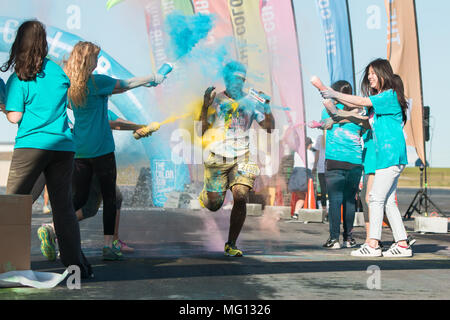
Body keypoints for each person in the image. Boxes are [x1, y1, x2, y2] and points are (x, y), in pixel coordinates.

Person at [0, 20, 92, 278]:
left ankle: (10, 265)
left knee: (13, 205)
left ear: (20, 41)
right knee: (63, 208)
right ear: (43, 41)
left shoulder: (20, 75)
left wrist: (5, 105)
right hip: (63, 147)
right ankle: (77, 267)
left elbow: (15, 117)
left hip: (31, 146)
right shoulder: (58, 72)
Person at [64, 41, 165, 261]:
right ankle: (108, 246)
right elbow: (126, 84)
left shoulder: (70, 88)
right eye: (96, 58)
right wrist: (152, 78)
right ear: (88, 60)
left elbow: (108, 118)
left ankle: (57, 231)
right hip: (101, 150)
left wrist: (136, 126)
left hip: (80, 151)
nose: (98, 61)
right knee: (110, 198)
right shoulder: (97, 82)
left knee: (79, 200)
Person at [321, 59, 412, 257]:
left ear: (383, 74)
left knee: (375, 198)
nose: (369, 76)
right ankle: (403, 244)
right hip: (388, 156)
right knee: (387, 201)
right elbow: (361, 115)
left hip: (390, 154)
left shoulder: (389, 95)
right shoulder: (380, 100)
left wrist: (333, 93)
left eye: (373, 73)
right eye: (368, 73)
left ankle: (373, 244)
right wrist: (337, 107)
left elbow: (361, 102)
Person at [197, 61, 275, 257]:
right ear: (226, 79)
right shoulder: (216, 100)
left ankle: (231, 243)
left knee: (240, 195)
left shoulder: (252, 100)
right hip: (218, 156)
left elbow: (269, 127)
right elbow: (201, 130)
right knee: (214, 205)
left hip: (243, 156)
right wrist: (205, 107)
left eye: (241, 79)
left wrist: (266, 107)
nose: (237, 83)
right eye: (233, 79)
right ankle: (206, 195)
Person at [320, 80, 364, 250]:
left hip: (335, 160)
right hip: (355, 161)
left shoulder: (328, 111)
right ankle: (349, 238)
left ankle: (334, 239)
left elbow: (325, 123)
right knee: (350, 201)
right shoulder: (359, 114)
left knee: (335, 200)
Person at [288, 137, 315, 220]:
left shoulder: (297, 152)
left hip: (295, 175)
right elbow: (312, 166)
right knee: (305, 196)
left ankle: (296, 212)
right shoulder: (310, 153)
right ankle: (298, 213)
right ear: (309, 145)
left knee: (301, 196)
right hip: (304, 175)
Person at [313, 133, 328, 217]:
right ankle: (330, 209)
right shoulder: (331, 135)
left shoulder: (319, 137)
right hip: (331, 166)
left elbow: (317, 153)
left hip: (321, 167)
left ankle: (324, 210)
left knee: (323, 189)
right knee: (331, 189)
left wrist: (315, 165)